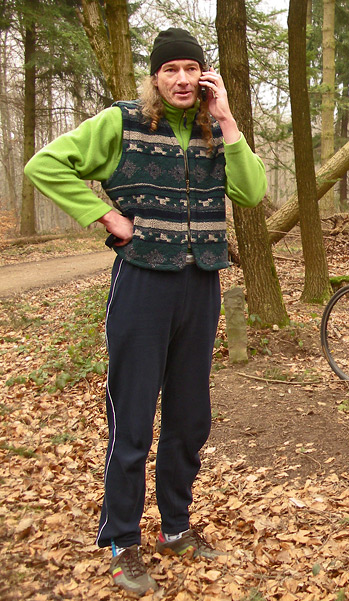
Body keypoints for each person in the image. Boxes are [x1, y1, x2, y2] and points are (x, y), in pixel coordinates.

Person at [24, 28, 267, 595]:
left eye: (192, 69)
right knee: (131, 417)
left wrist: (228, 120)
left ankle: (176, 527)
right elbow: (46, 164)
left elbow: (252, 194)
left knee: (189, 417)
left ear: (205, 76)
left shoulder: (216, 131)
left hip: (200, 284)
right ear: (155, 78)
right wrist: (108, 218)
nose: (182, 79)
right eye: (171, 70)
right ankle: (122, 538)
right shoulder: (122, 122)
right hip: (142, 285)